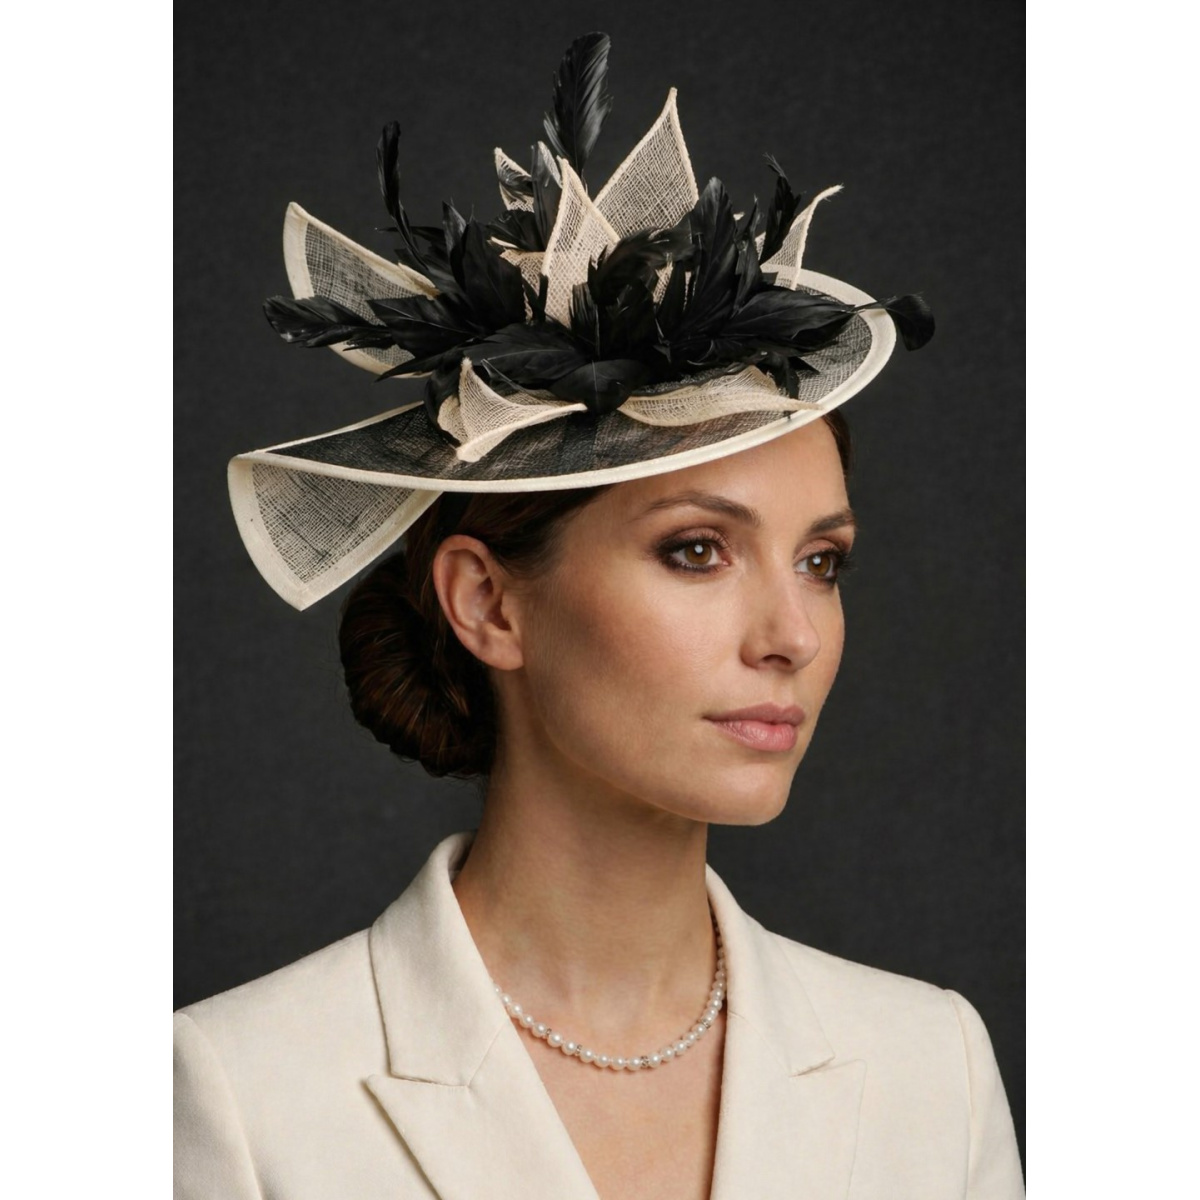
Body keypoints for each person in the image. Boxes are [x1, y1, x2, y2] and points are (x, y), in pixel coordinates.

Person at [175, 33, 1023, 1200]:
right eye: (696, 550)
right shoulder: (239, 1092)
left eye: (822, 562)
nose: (792, 635)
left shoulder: (935, 1071)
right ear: (488, 603)